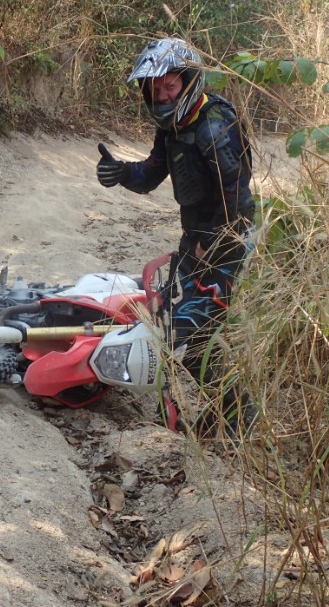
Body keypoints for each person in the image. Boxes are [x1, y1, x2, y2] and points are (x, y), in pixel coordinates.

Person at [96, 37, 255, 437]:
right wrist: (120, 173)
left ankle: (238, 418)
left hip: (224, 244)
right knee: (174, 327)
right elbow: (151, 173)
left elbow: (239, 197)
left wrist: (214, 244)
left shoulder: (214, 126)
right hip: (196, 241)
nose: (164, 96)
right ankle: (227, 414)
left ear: (188, 80)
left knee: (186, 333)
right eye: (156, 90)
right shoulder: (172, 129)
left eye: (170, 86)